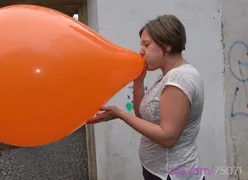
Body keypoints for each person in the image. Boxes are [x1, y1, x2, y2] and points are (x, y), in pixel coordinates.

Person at [88, 14, 205, 180]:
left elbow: (168, 138)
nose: (141, 51)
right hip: (156, 170)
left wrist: (120, 114)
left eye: (146, 45)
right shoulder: (165, 76)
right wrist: (138, 81)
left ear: (167, 45)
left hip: (171, 173)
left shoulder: (179, 79)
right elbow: (142, 116)